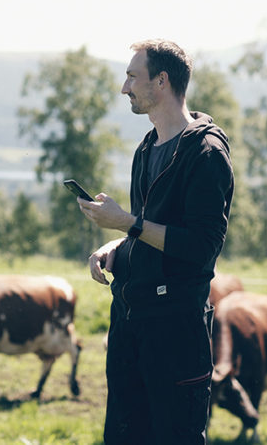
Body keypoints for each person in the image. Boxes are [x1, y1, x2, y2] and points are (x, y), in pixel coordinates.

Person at [77, 39, 234, 444]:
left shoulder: (206, 153)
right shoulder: (147, 148)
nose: (124, 87)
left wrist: (126, 224)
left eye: (132, 76)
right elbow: (151, 230)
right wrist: (117, 247)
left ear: (161, 81)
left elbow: (200, 248)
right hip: (131, 326)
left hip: (175, 334)